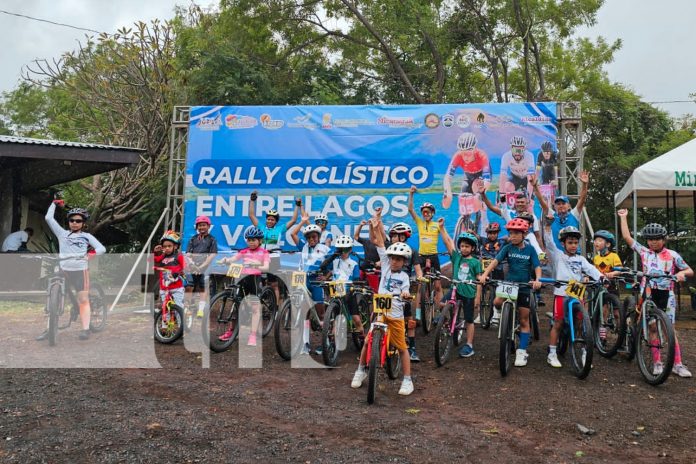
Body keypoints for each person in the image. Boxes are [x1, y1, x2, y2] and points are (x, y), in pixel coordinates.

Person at [618, 210, 693, 378]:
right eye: (650, 239)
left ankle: (677, 364)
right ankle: (657, 363)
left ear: (663, 239)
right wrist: (623, 218)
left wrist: (682, 274)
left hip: (667, 295)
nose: (653, 242)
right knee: (652, 328)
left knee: (670, 330)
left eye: (657, 239)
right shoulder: (645, 252)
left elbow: (689, 270)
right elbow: (627, 238)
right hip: (649, 293)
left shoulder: (672, 255)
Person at [351, 215, 414, 396]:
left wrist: (405, 294)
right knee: (367, 341)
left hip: (395, 315)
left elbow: (406, 291)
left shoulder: (403, 277)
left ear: (404, 262)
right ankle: (360, 370)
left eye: (399, 259)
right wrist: (377, 225)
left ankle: (408, 380)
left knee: (402, 348)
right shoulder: (385, 264)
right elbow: (379, 242)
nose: (394, 261)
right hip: (380, 311)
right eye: (393, 258)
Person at [37, 201, 106, 341]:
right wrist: (53, 203)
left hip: (80, 271)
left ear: (83, 223)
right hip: (64, 269)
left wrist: (90, 254)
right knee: (53, 296)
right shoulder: (62, 234)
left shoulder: (86, 236)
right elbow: (49, 218)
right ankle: (50, 328)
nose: (74, 223)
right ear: (68, 222)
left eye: (78, 220)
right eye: (72, 220)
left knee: (82, 299)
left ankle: (86, 329)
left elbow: (101, 248)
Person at [479, 218, 542, 367]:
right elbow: (495, 262)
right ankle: (500, 315)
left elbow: (537, 266)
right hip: (509, 284)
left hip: (524, 286)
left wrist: (538, 279)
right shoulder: (507, 248)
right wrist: (484, 274)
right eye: (510, 233)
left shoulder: (530, 249)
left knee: (524, 320)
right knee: (496, 302)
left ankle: (521, 351)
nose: (512, 236)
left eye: (516, 234)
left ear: (524, 234)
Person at [543, 224, 602, 368]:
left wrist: (602, 277)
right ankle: (552, 353)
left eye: (576, 243)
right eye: (570, 242)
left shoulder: (581, 259)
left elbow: (591, 269)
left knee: (581, 323)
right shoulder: (558, 256)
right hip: (562, 293)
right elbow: (549, 243)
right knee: (558, 323)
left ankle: (583, 351)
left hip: (577, 292)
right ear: (563, 244)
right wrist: (548, 227)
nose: (573, 245)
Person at [377, 218, 423, 362]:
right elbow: (380, 242)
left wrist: (419, 277)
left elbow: (417, 268)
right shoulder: (390, 249)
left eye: (398, 236)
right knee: (377, 315)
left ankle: (413, 347)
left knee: (409, 319)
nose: (395, 238)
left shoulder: (412, 252)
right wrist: (377, 220)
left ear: (404, 237)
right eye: (394, 236)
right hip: (387, 291)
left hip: (404, 288)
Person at [217, 226, 270, 346]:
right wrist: (226, 260)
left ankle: (253, 335)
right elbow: (234, 259)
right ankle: (232, 331)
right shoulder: (244, 251)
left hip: (254, 280)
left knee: (255, 308)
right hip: (242, 279)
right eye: (249, 240)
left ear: (260, 241)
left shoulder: (264, 252)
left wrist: (256, 265)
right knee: (237, 305)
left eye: (254, 240)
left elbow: (266, 267)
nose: (251, 242)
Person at [248, 191, 302, 303]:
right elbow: (251, 215)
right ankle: (263, 303)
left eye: (272, 219)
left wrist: (297, 206)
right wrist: (252, 201)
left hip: (273, 257)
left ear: (276, 221)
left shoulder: (279, 229)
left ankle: (276, 309)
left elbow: (293, 220)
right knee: (260, 281)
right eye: (268, 219)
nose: (270, 221)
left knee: (273, 284)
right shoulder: (261, 227)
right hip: (261, 257)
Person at [438, 221, 482, 358]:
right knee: (441, 304)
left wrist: (478, 297)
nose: (464, 249)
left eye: (467, 246)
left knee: (469, 320)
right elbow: (448, 242)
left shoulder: (475, 262)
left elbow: (479, 280)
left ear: (473, 248)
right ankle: (448, 321)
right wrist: (442, 228)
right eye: (462, 246)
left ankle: (469, 345)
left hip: (469, 293)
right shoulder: (456, 258)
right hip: (455, 289)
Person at [290, 214, 332, 355]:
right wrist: (302, 221)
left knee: (321, 313)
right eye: (309, 237)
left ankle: (325, 342)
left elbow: (331, 268)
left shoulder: (325, 249)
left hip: (316, 282)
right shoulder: (303, 246)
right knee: (305, 313)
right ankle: (305, 344)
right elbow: (293, 233)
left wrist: (325, 277)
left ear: (318, 237)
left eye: (314, 237)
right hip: (303, 280)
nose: (311, 239)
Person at [319, 234, 364, 338]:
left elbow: (356, 279)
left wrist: (355, 284)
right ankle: (330, 344)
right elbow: (324, 267)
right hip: (335, 291)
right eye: (341, 250)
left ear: (350, 249)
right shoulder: (335, 261)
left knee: (356, 319)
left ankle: (362, 337)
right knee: (335, 317)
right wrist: (334, 255)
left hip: (348, 291)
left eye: (346, 250)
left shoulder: (354, 263)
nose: (343, 252)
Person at [532, 170, 589, 251]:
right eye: (558, 204)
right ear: (554, 206)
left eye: (563, 203)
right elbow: (541, 200)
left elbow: (582, 199)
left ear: (569, 206)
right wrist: (535, 187)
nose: (561, 205)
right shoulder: (552, 215)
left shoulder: (574, 214)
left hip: (573, 254)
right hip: (557, 256)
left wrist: (585, 184)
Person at [408, 185, 443, 315]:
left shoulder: (437, 225)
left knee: (438, 286)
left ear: (432, 213)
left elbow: (445, 237)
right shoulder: (420, 223)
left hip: (434, 256)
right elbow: (410, 209)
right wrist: (411, 194)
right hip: (421, 256)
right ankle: (417, 316)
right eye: (424, 212)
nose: (426, 214)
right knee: (420, 287)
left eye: (428, 212)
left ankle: (440, 313)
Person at [184, 216, 218, 318]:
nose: (201, 227)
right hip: (192, 266)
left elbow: (212, 255)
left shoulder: (212, 239)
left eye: (203, 225)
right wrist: (193, 265)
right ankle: (187, 307)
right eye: (199, 225)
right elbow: (188, 254)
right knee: (189, 285)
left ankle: (201, 310)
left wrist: (202, 266)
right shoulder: (192, 239)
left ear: (208, 226)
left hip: (205, 267)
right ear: (197, 227)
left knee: (203, 287)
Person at [154, 229, 187, 323]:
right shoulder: (163, 256)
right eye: (164, 246)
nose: (167, 248)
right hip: (164, 287)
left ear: (175, 246)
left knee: (178, 305)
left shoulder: (179, 256)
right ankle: (165, 325)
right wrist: (156, 252)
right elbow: (156, 260)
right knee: (165, 306)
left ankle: (181, 325)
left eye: (169, 246)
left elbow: (185, 267)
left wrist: (179, 272)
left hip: (177, 287)